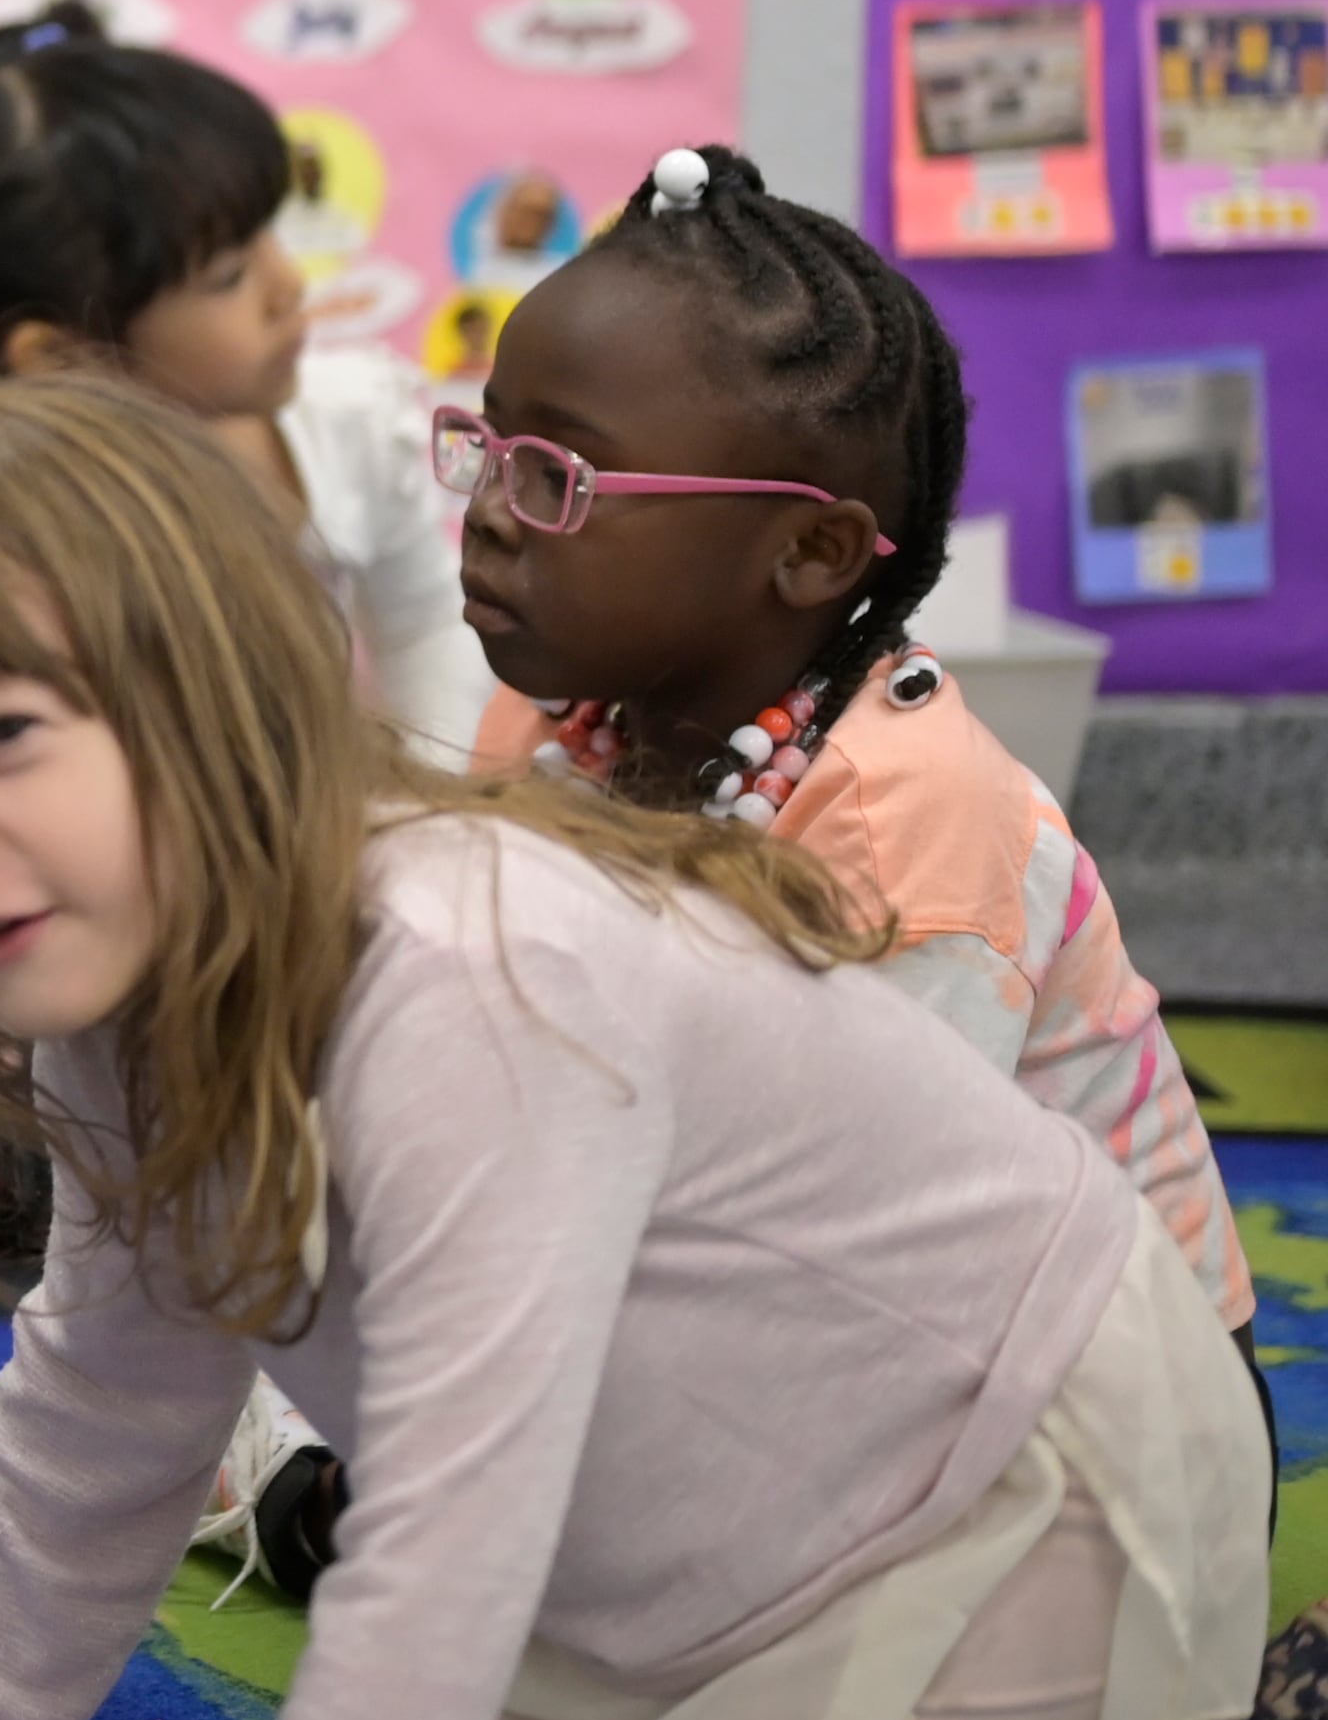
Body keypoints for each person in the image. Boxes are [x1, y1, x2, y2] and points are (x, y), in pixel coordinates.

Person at [0, 378, 1269, 1720]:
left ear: (203, 694)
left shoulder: (463, 982)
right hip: (674, 1568)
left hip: (1008, 1484)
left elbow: (449, 1541)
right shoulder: (113, 1028)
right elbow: (97, 1429)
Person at [454, 147, 1253, 1335]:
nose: (483, 508)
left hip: (1090, 1387)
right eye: (490, 446)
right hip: (751, 1263)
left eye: (557, 475)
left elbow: (871, 1266)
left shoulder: (902, 827)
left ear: (812, 553)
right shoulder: (555, 719)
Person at [0, 3, 489, 757]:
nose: (289, 283)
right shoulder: (3, 528)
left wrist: (445, 800)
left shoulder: (349, 422)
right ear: (64, 357)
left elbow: (424, 623)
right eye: (228, 275)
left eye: (271, 231)